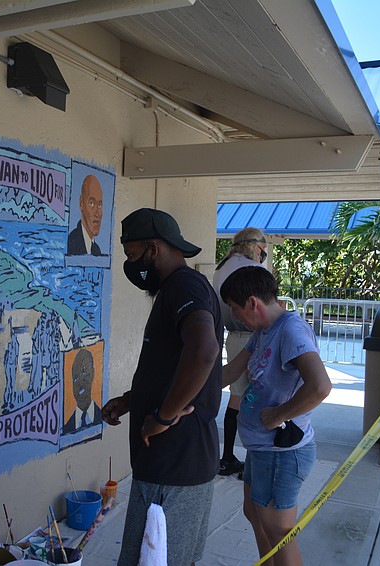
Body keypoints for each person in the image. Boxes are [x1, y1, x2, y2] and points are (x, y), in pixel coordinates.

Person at [102, 208, 223, 566]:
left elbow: (203, 351)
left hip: (174, 461)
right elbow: (173, 363)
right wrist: (131, 400)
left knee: (154, 560)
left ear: (153, 250)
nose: (132, 266)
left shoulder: (184, 286)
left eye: (133, 255)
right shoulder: (177, 288)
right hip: (170, 461)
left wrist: (165, 416)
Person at [220, 266, 332, 566]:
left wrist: (278, 415)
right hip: (261, 449)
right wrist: (188, 387)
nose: (236, 317)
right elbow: (231, 372)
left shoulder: (290, 330)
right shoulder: (263, 332)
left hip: (282, 453)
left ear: (253, 303)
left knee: (278, 530)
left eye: (235, 309)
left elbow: (320, 387)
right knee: (255, 514)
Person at [212, 227, 269, 477]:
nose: (263, 254)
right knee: (256, 397)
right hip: (253, 336)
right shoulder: (253, 269)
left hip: (231, 337)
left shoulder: (221, 267)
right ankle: (253, 459)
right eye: (263, 249)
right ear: (256, 246)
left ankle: (227, 457)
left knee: (236, 397)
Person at [62, 348, 102, 434]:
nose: (80, 381)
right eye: (75, 378)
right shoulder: (66, 429)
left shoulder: (102, 418)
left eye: (84, 372)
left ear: (93, 374)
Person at [67, 175, 104, 255]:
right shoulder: (70, 244)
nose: (97, 213)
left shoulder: (96, 250)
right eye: (91, 203)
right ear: (81, 204)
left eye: (99, 205)